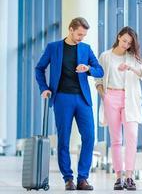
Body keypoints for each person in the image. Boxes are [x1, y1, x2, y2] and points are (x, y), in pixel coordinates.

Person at [35, 17, 104, 191]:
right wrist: (44, 88)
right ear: (71, 29)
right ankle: (68, 179)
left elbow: (99, 70)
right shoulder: (54, 48)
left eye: (84, 35)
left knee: (89, 137)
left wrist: (88, 69)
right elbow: (39, 68)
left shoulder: (86, 49)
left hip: (82, 99)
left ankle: (83, 178)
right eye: (79, 34)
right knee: (63, 139)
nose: (81, 37)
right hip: (62, 98)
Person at [95, 26, 142, 190]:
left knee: (132, 137)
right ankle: (118, 177)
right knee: (116, 139)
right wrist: (104, 96)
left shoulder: (132, 57)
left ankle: (129, 177)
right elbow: (98, 80)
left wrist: (131, 67)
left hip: (129, 100)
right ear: (119, 37)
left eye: (129, 43)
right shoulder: (105, 56)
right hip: (111, 98)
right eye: (124, 40)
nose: (126, 44)